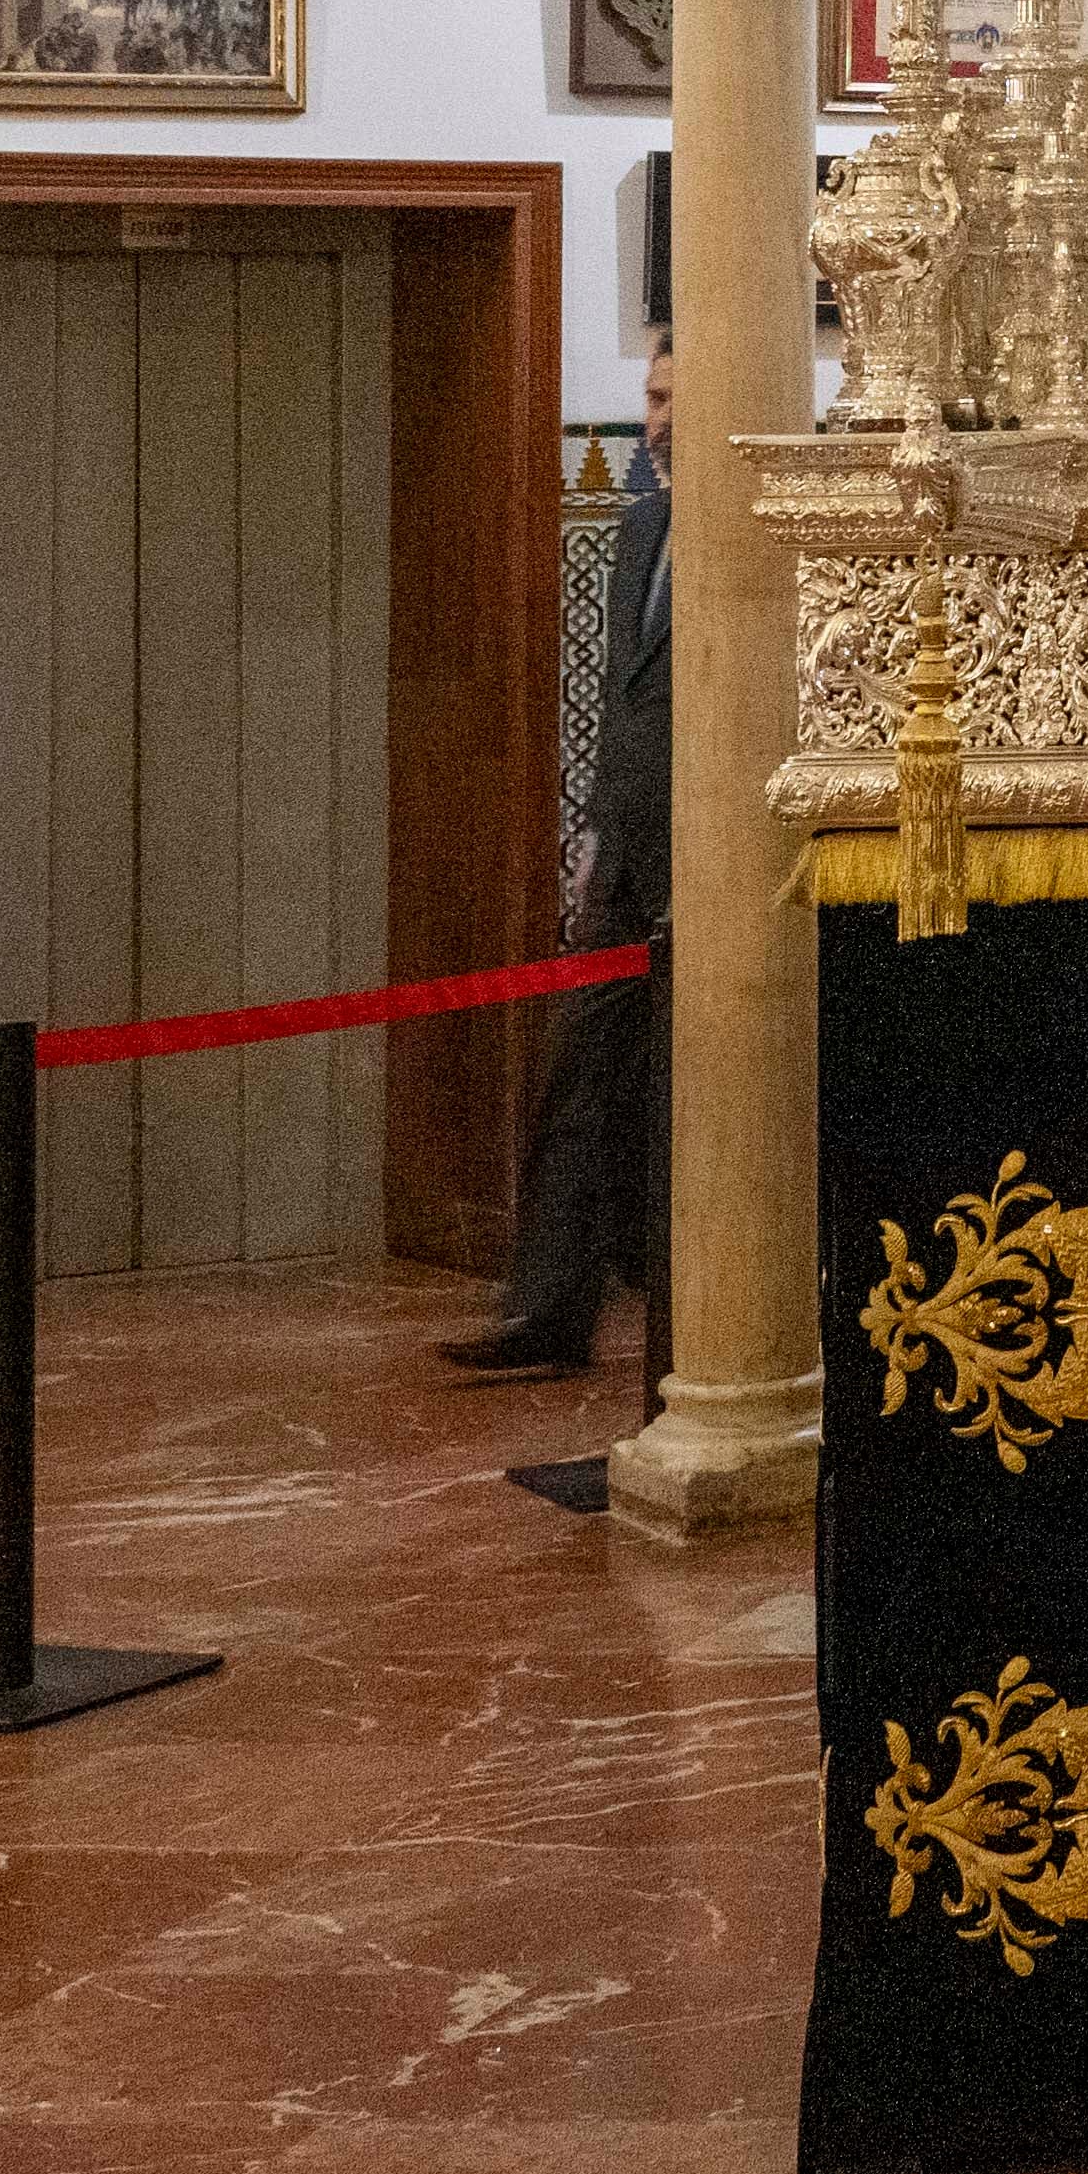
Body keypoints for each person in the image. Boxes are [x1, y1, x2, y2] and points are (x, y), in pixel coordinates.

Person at [441, 336, 674, 1386]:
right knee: (576, 1083)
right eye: (649, 397)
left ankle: (700, 1326)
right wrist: (589, 836)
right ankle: (547, 1311)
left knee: (689, 1108)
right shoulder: (639, 527)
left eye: (672, 397)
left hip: (708, 870)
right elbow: (625, 708)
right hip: (624, 859)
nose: (655, 417)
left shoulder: (770, 537)